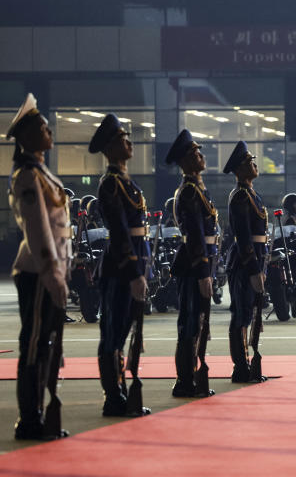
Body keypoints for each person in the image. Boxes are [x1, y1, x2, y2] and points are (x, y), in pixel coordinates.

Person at [7, 94, 70, 440]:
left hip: (52, 271)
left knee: (46, 343)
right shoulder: (27, 176)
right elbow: (38, 229)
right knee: (33, 343)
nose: (49, 131)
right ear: (27, 136)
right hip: (37, 272)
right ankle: (29, 417)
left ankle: (40, 412)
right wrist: (51, 270)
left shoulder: (42, 173)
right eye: (43, 127)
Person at [88, 114, 151, 417]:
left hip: (133, 265)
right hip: (119, 269)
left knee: (124, 332)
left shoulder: (127, 182)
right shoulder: (110, 185)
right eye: (123, 138)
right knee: (112, 334)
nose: (129, 142)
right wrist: (134, 271)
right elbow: (121, 232)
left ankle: (122, 391)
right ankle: (113, 397)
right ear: (111, 148)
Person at [165, 129, 217, 398]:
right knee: (189, 323)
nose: (200, 156)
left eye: (199, 152)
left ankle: (191, 377)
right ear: (185, 161)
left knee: (198, 323)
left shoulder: (197, 189)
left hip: (201, 264)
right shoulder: (188, 192)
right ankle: (184, 381)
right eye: (195, 154)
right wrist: (203, 271)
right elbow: (195, 234)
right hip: (192, 266)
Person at [224, 141, 268, 383]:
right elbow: (242, 236)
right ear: (240, 169)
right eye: (250, 161)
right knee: (240, 315)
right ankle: (240, 366)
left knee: (249, 314)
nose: (255, 164)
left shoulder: (252, 194)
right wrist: (253, 268)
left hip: (256, 260)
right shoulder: (240, 196)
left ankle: (247, 363)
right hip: (243, 263)